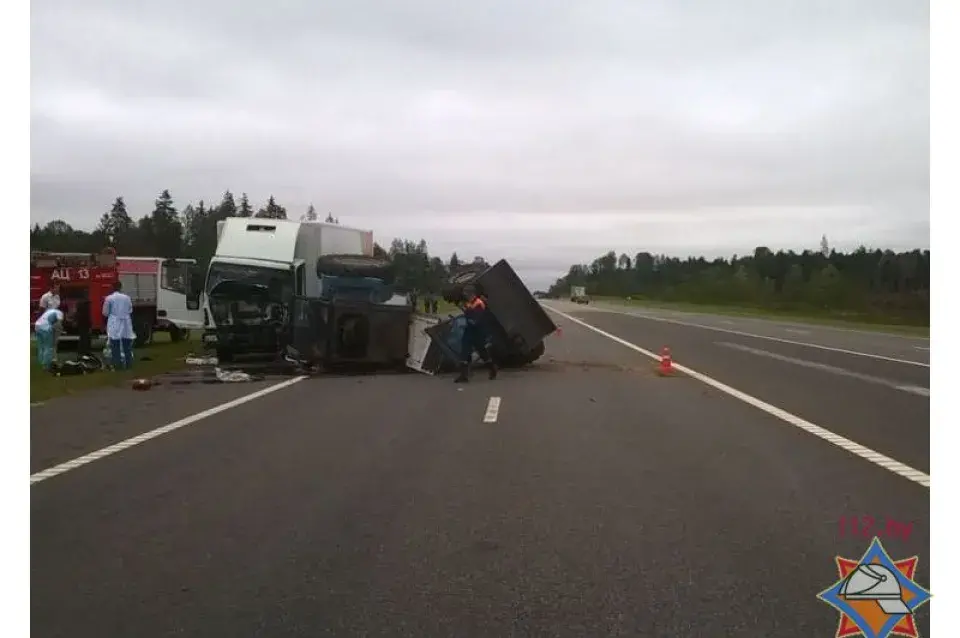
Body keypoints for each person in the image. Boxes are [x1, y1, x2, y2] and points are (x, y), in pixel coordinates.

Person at [454, 284, 497, 383]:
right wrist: (465, 310)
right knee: (465, 351)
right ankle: (464, 375)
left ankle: (492, 368)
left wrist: (466, 311)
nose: (464, 295)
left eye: (465, 293)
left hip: (477, 331)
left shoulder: (478, 303)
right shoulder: (470, 302)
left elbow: (475, 320)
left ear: (471, 293)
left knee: (482, 351)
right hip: (470, 330)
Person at [102, 281, 136, 370]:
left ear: (112, 287)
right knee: (127, 346)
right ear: (121, 287)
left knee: (115, 345)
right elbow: (130, 310)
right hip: (126, 322)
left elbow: (105, 313)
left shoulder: (109, 298)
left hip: (114, 323)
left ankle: (117, 365)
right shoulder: (127, 298)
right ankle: (129, 364)